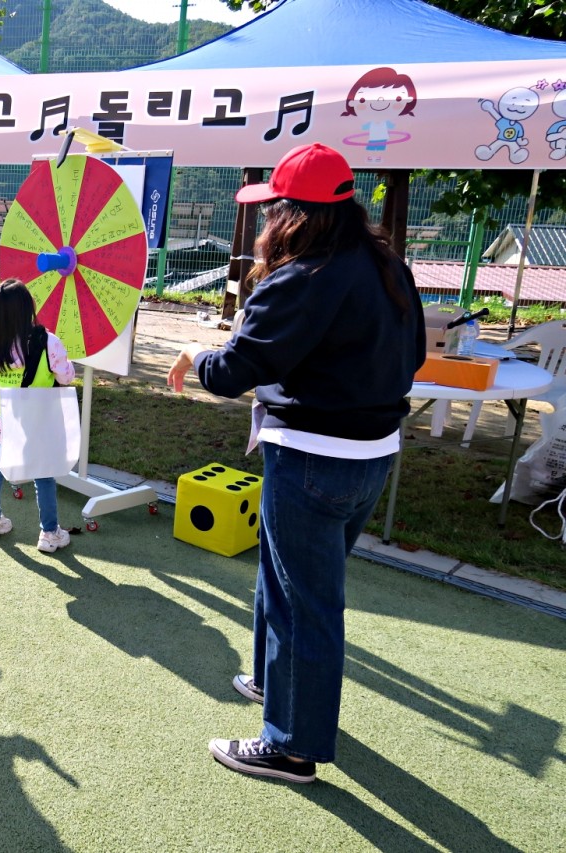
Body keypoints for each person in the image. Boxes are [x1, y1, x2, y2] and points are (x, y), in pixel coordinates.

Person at [166, 143, 425, 784]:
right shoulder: (384, 263)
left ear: (295, 214)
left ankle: (292, 746)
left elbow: (233, 373)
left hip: (313, 456)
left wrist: (195, 355)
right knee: (284, 582)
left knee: (302, 603)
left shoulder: (302, 276)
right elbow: (414, 354)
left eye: (274, 209)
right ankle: (272, 686)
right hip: (372, 454)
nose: (267, 222)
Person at [0, 279, 76, 553]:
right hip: (37, 420)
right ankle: (49, 533)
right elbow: (66, 376)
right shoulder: (49, 342)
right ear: (27, 307)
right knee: (43, 474)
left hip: (5, 419)